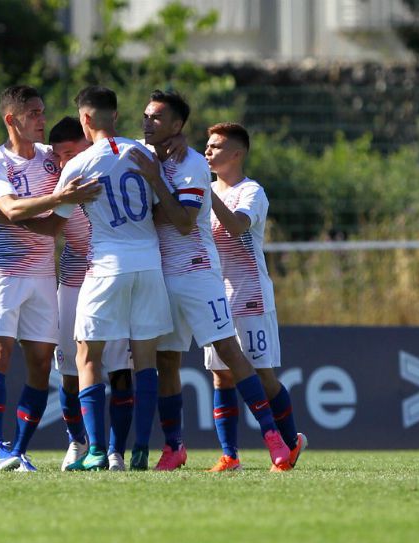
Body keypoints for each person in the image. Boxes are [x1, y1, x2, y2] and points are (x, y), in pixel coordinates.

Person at [131, 91, 291, 472]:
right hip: (161, 275)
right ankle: (175, 448)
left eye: (156, 118)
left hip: (199, 274)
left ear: (176, 125)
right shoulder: (142, 152)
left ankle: (274, 440)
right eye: (145, 116)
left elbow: (185, 223)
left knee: (232, 355)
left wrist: (155, 181)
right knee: (168, 361)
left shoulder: (192, 166)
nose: (147, 123)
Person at [49, 86, 174, 471]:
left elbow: (56, 223)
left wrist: (15, 213)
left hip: (106, 268)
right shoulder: (145, 151)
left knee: (89, 355)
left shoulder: (80, 165)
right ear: (115, 116)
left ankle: (99, 451)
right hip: (150, 266)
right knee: (144, 362)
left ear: (85, 120)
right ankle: (135, 451)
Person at [0, 87, 99, 472]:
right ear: (12, 119)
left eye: (43, 111)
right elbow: (9, 208)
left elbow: (90, 151)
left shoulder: (52, 157)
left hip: (45, 274)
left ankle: (19, 450)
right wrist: (55, 199)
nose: (42, 119)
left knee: (41, 363)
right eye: (34, 113)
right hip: (4, 271)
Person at [204, 122, 307, 472]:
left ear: (237, 153)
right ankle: (230, 455)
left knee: (262, 373)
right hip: (215, 294)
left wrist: (207, 193)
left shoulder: (252, 192)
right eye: (207, 146)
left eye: (215, 147)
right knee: (221, 376)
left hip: (250, 293)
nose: (207, 152)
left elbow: (236, 227)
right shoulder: (203, 190)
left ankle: (291, 443)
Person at [45, 117, 135, 472]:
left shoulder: (114, 170)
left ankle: (115, 451)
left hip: (111, 280)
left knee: (119, 370)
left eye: (70, 152)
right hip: (72, 284)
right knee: (70, 370)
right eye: (58, 156)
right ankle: (78, 441)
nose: (64, 162)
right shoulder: (60, 180)